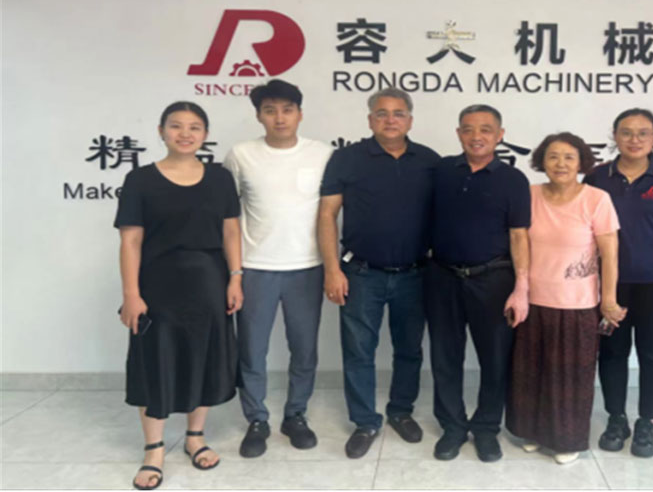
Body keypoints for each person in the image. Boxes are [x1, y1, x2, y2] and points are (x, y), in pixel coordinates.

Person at [115, 101, 242, 490]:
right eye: (176, 126)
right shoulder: (140, 180)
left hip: (209, 283)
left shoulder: (220, 178)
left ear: (205, 134)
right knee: (153, 361)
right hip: (157, 287)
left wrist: (235, 278)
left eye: (194, 127)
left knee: (203, 358)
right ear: (161, 131)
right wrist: (131, 294)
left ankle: (194, 437)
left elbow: (231, 231)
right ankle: (154, 449)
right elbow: (130, 241)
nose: (185, 133)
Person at [317, 87, 440, 459]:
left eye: (398, 113)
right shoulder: (347, 158)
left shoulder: (429, 161)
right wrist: (332, 269)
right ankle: (365, 421)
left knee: (409, 349)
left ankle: (400, 411)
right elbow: (327, 215)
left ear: (410, 120)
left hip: (415, 274)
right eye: (382, 113)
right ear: (370, 119)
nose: (390, 120)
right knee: (358, 351)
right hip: (361, 273)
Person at [223, 80, 333, 458]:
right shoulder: (241, 155)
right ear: (259, 116)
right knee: (252, 351)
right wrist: (234, 273)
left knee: (304, 350)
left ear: (300, 114)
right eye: (270, 111)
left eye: (287, 109)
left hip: (307, 268)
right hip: (255, 268)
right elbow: (228, 218)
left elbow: (331, 212)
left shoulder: (322, 154)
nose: (279, 118)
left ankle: (295, 415)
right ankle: (257, 419)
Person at [584, 109, 653, 458]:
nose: (634, 139)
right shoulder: (597, 177)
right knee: (612, 352)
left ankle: (647, 421)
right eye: (627, 132)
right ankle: (616, 418)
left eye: (643, 133)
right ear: (614, 136)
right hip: (608, 284)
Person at [505, 132, 619, 465]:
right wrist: (521, 288)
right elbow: (518, 241)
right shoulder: (529, 195)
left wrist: (608, 300)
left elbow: (610, 255)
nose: (561, 164)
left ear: (582, 162)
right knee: (531, 370)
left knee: (570, 376)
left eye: (569, 157)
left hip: (577, 303)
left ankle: (567, 439)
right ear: (542, 161)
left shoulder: (596, 199)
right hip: (533, 300)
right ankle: (532, 432)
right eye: (553, 156)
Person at [426, 105, 531, 463]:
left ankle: (486, 428)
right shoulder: (442, 171)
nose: (476, 136)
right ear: (458, 133)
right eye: (468, 129)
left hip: (494, 279)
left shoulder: (513, 180)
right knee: (444, 356)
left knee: (495, 359)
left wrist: (521, 287)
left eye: (486, 129)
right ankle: (453, 427)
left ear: (500, 135)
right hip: (442, 276)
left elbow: (519, 235)